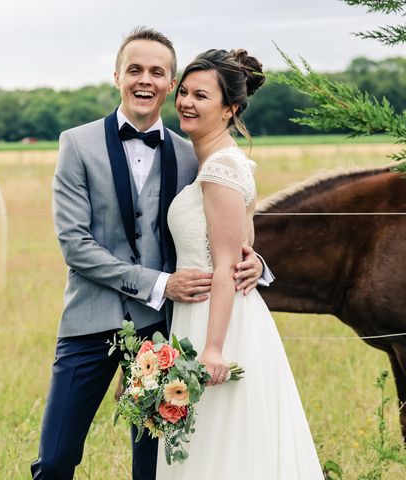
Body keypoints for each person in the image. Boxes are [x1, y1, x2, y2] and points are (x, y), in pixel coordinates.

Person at [31, 28, 270, 480]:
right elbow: (75, 246)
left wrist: (255, 261)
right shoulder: (76, 144)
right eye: (135, 69)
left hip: (162, 334)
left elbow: (222, 227)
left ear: (169, 82)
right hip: (88, 322)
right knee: (57, 458)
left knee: (155, 466)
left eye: (157, 72)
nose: (146, 79)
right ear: (117, 75)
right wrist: (161, 284)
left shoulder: (191, 153)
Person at [155, 49, 323, 479]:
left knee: (220, 447)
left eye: (202, 96)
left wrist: (212, 349)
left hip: (216, 323)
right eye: (185, 92)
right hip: (202, 314)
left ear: (229, 108)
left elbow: (229, 263)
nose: (187, 103)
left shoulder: (221, 170)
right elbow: (244, 247)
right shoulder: (224, 161)